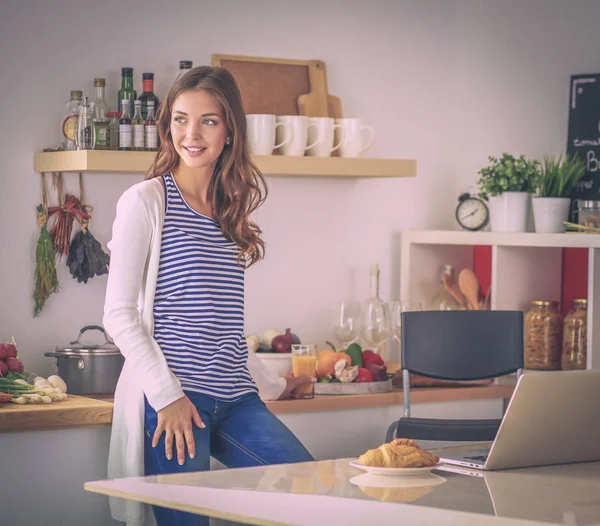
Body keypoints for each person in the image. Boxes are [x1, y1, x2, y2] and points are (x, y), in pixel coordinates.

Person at [103, 66, 315, 526]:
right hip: (175, 402)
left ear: (230, 132)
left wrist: (278, 385)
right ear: (167, 126)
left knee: (312, 490)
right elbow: (118, 315)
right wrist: (167, 397)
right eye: (180, 119)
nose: (191, 134)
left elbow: (222, 326)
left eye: (208, 121)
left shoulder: (230, 212)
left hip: (236, 398)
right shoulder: (145, 202)